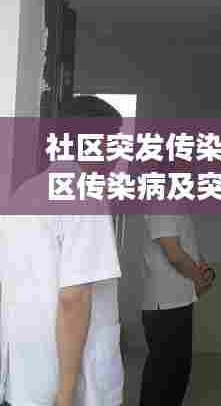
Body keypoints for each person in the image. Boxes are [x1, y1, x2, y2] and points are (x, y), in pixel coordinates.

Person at [0, 95, 124, 406]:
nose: (116, 152)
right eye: (113, 141)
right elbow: (74, 298)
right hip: (65, 386)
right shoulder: (84, 195)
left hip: (24, 375)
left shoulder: (25, 192)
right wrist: (66, 395)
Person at [139, 214, 214, 406]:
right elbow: (173, 254)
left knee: (177, 375)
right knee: (164, 379)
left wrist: (203, 268)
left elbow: (186, 247)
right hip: (165, 304)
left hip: (178, 301)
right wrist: (198, 279)